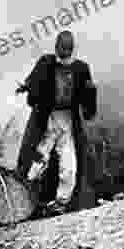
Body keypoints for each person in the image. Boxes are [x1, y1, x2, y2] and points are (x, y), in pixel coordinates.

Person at [16, 30, 97, 214]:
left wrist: (90, 93)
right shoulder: (46, 62)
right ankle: (27, 201)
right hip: (45, 118)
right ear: (56, 48)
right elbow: (33, 79)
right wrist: (25, 87)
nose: (64, 54)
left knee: (69, 166)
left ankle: (61, 204)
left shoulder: (81, 68)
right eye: (61, 50)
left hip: (68, 120)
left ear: (72, 50)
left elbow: (88, 98)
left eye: (67, 51)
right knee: (37, 161)